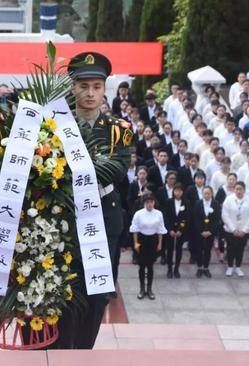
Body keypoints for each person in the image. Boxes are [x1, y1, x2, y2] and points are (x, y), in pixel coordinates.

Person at [67, 51, 130, 349]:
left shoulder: (119, 129)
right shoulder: (56, 127)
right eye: (83, 86)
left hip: (103, 217)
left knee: (97, 293)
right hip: (65, 216)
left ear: (104, 89)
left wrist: (75, 168)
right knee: (66, 287)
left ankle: (84, 349)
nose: (90, 93)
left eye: (96, 86)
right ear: (72, 86)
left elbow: (116, 170)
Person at [130, 195, 167, 300]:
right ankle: (142, 288)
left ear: (154, 203)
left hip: (153, 241)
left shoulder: (159, 214)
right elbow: (135, 230)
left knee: (150, 266)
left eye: (151, 202)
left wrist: (160, 243)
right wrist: (136, 244)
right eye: (147, 202)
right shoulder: (138, 214)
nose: (149, 204)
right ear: (144, 203)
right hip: (142, 241)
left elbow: (160, 229)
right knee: (141, 266)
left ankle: (149, 289)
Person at [222, 182, 249, 277]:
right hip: (230, 230)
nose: (238, 191)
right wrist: (233, 229)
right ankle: (230, 266)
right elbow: (225, 215)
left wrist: (244, 230)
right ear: (234, 190)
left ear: (244, 190)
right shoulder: (229, 199)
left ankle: (238, 267)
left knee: (240, 249)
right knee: (230, 249)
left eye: (240, 189)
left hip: (243, 231)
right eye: (237, 189)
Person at [193, 186, 221, 278]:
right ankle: (199, 267)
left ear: (212, 194)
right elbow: (195, 218)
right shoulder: (198, 203)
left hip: (210, 232)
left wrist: (210, 231)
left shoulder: (216, 204)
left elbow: (217, 219)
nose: (207, 195)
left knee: (208, 250)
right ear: (202, 194)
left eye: (208, 193)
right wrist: (201, 231)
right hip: (199, 232)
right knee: (199, 250)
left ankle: (206, 268)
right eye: (205, 193)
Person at [164, 183, 190, 278]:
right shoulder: (169, 202)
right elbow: (166, 217)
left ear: (182, 192)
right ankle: (169, 269)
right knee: (170, 250)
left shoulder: (186, 202)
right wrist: (169, 230)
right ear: (173, 191)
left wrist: (181, 230)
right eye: (176, 191)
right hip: (170, 230)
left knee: (179, 250)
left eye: (180, 191)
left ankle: (176, 269)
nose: (178, 193)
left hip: (180, 231)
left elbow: (187, 217)